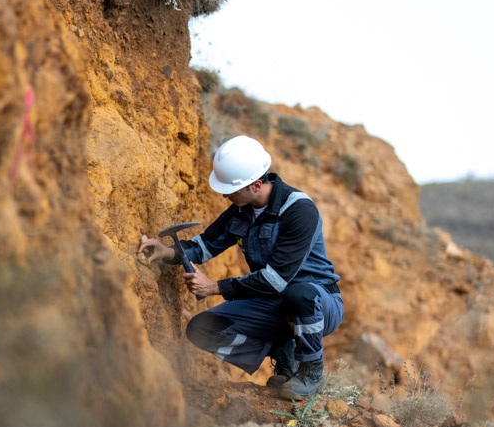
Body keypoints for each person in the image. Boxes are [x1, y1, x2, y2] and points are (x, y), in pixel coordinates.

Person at [138, 135, 343, 400]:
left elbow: (276, 281)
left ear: (256, 185)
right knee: (201, 329)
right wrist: (168, 252)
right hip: (274, 305)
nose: (224, 195)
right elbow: (205, 244)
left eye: (230, 190)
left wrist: (214, 287)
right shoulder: (240, 210)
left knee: (298, 293)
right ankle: (282, 352)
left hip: (319, 305)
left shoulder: (300, 211)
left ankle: (310, 371)